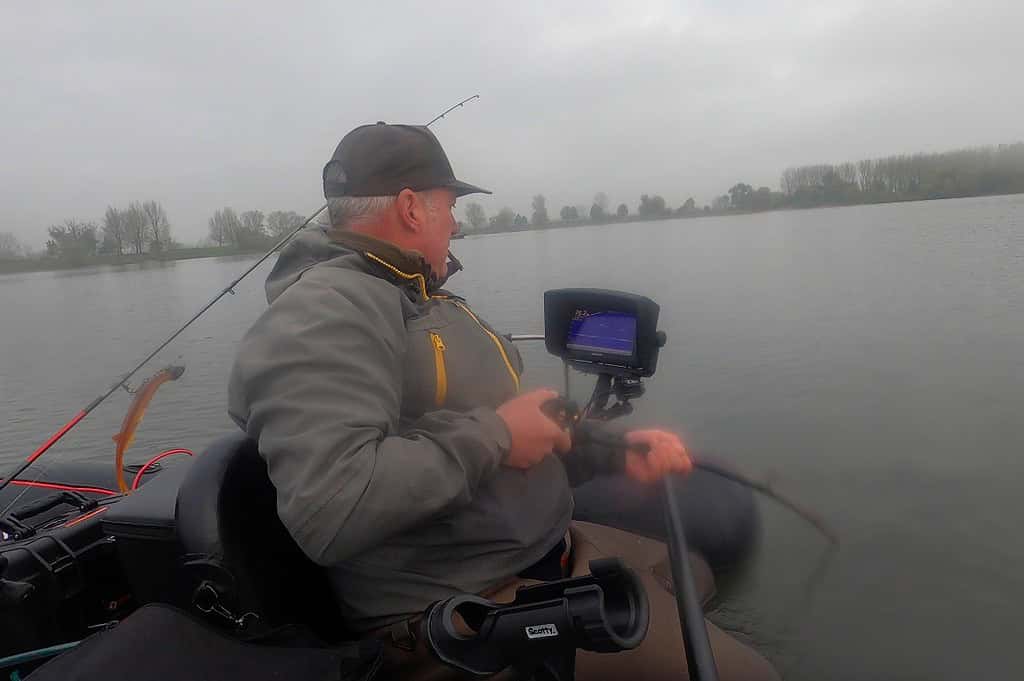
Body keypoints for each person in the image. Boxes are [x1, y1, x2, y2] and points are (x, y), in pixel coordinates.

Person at [227, 122, 779, 680]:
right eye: (448, 206)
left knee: (692, 572)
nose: (456, 222)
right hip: (466, 610)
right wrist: (499, 433)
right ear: (413, 208)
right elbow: (332, 507)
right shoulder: (325, 310)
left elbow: (480, 434)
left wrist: (606, 452)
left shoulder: (416, 292)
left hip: (541, 552)